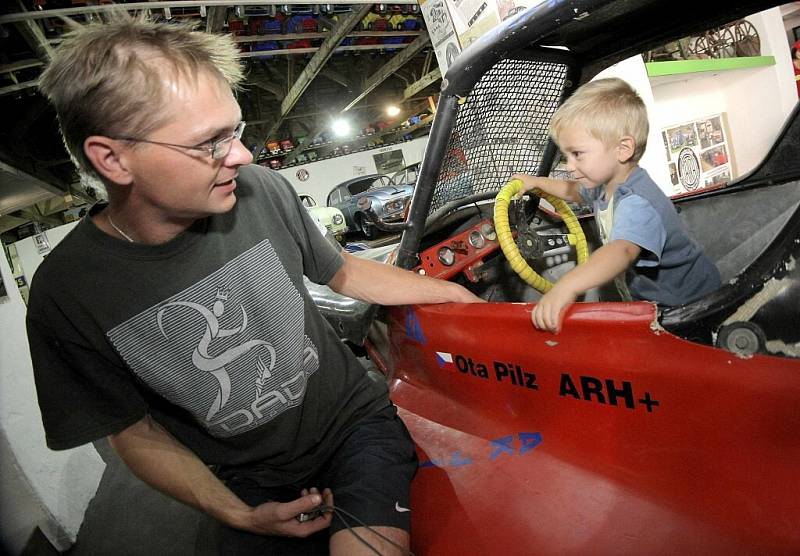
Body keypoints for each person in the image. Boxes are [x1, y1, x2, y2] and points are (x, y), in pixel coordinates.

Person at [27, 14, 483, 555]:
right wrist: (238, 513)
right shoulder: (67, 294)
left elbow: (345, 271)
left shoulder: (259, 190)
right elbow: (134, 432)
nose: (243, 155)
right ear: (113, 158)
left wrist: (450, 294)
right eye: (209, 143)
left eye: (235, 131)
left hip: (354, 429)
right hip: (242, 481)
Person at [513, 77, 720, 333]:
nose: (569, 166)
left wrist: (568, 285)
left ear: (623, 150)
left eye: (577, 154)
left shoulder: (636, 202)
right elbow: (572, 192)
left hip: (688, 304)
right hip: (656, 295)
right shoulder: (604, 185)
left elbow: (621, 251)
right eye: (566, 156)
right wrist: (536, 183)